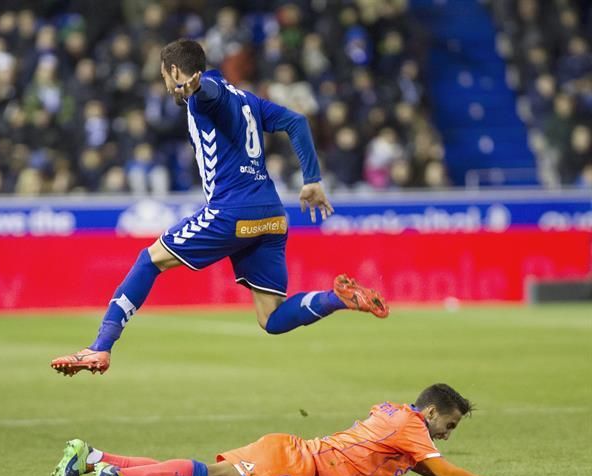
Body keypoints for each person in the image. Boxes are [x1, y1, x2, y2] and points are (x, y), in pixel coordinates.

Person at [50, 39, 388, 376]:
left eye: (166, 78)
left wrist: (196, 89)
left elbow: (210, 93)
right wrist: (312, 179)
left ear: (174, 70)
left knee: (149, 260)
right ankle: (337, 297)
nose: (167, 88)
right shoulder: (248, 99)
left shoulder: (206, 92)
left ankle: (100, 347)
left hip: (232, 211)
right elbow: (296, 121)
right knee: (271, 318)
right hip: (270, 216)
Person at [51, 383, 508, 476]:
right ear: (429, 413)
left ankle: (94, 458)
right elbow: (446, 473)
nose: (448, 434)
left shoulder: (396, 416)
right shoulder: (413, 429)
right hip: (299, 466)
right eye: (448, 424)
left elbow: (433, 471)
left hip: (291, 451)